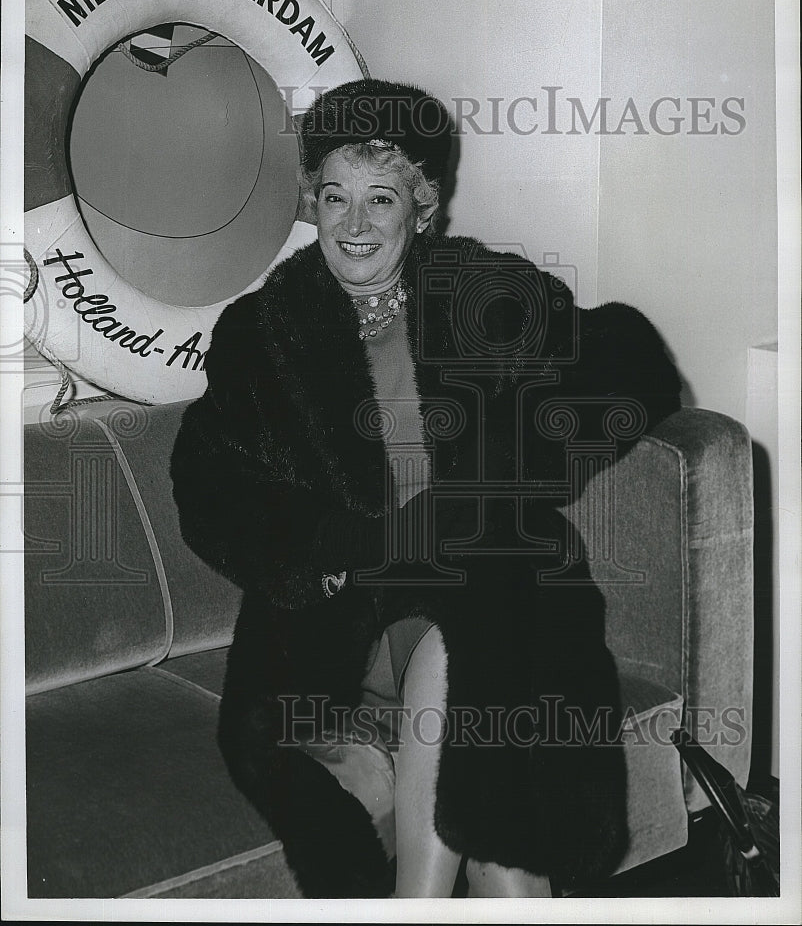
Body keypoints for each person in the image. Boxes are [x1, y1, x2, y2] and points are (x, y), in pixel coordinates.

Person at [170, 78, 682, 898]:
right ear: (312, 204)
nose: (355, 224)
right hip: (345, 619)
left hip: (488, 593)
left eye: (381, 199)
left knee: (479, 616)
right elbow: (209, 480)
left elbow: (628, 358)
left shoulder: (480, 293)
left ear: (423, 205)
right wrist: (326, 545)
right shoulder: (261, 334)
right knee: (493, 714)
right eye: (334, 198)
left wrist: (503, 475)